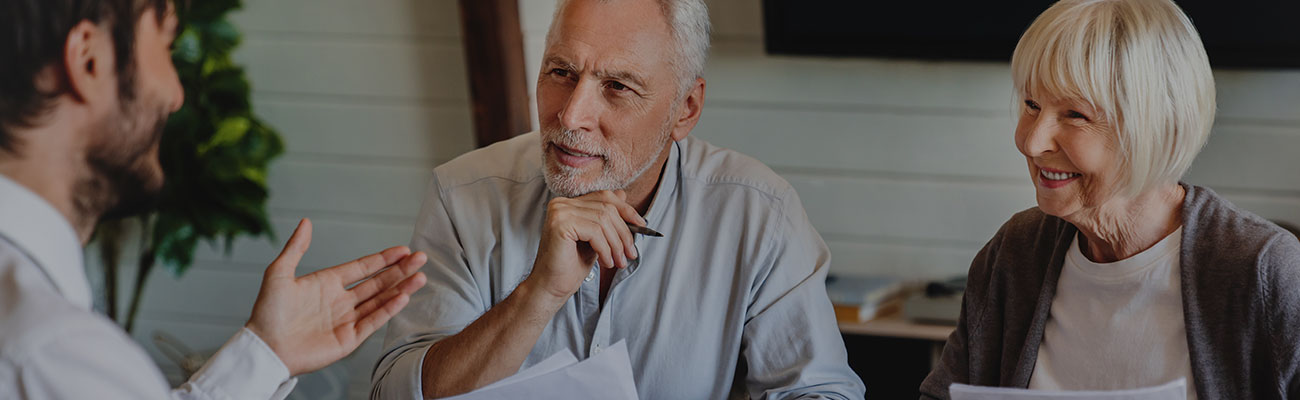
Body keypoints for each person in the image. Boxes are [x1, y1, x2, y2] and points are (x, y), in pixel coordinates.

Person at [370, 0, 865, 398]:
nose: (570, 116)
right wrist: (537, 294)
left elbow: (820, 391)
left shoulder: (759, 213)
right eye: (561, 72)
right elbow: (395, 393)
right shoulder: (463, 195)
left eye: (617, 86)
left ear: (685, 110)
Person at [0, 0, 429, 398]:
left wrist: (268, 351)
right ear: (88, 60)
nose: (176, 94)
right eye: (165, 44)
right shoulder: (51, 356)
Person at [919, 0, 1300, 399]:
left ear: (1154, 128)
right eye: (1032, 105)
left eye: (1075, 115)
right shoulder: (1014, 254)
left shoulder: (1261, 271)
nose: (1032, 142)